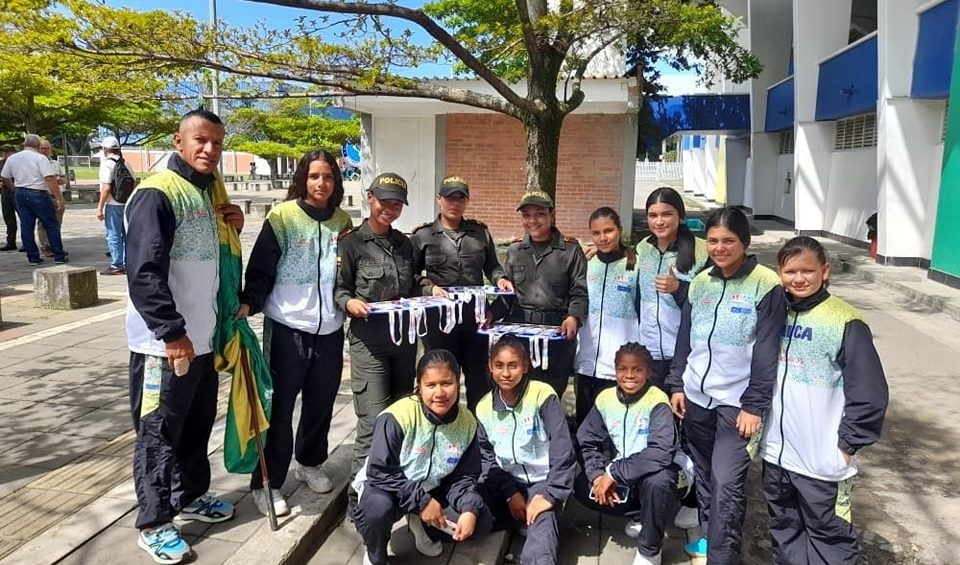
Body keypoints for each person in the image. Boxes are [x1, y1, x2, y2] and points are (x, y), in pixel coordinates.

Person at [125, 109, 244, 565]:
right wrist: (172, 334)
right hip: (164, 346)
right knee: (159, 433)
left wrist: (233, 225)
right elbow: (144, 272)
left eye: (216, 142)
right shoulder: (157, 193)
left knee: (195, 425)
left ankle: (190, 495)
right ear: (178, 141)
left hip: (203, 338)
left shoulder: (210, 190)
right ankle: (154, 522)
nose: (209, 150)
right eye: (200, 140)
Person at [666, 206, 787, 563]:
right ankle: (710, 541)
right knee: (703, 477)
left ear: (745, 242)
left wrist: (754, 405)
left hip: (737, 405)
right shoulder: (701, 283)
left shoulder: (766, 286)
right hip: (696, 399)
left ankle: (724, 557)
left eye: (729, 241)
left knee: (726, 484)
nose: (720, 248)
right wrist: (676, 384)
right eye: (714, 241)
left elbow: (767, 351)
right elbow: (685, 340)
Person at [236, 149, 353, 517]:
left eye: (328, 177)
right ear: (303, 178)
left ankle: (310, 461)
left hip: (330, 327)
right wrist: (248, 302)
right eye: (314, 176)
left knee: (321, 401)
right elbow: (261, 267)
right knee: (280, 406)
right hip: (288, 327)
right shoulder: (283, 217)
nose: (321, 183)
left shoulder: (342, 221)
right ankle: (266, 482)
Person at [761, 236, 888, 565]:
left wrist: (847, 444)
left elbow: (869, 392)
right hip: (776, 454)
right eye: (791, 271)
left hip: (822, 461)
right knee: (785, 531)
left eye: (808, 270)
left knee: (829, 538)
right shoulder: (776, 314)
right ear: (780, 273)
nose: (799, 278)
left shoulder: (844, 321)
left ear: (825, 271)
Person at [351, 349, 493, 565]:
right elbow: (379, 471)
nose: (439, 392)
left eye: (447, 383)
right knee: (376, 513)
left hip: (432, 487)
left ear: (458, 382)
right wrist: (422, 501)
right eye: (431, 385)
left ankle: (417, 520)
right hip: (388, 488)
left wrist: (468, 507)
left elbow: (464, 476)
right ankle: (375, 555)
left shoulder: (467, 422)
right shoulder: (396, 417)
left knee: (480, 521)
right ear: (419, 386)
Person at [334, 172, 417, 515]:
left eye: (397, 203)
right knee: (373, 421)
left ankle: (392, 489)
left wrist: (430, 289)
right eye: (384, 201)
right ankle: (360, 498)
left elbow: (414, 286)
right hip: (369, 343)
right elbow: (339, 288)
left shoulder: (405, 244)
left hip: (404, 343)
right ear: (369, 198)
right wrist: (349, 302)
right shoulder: (351, 243)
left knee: (401, 417)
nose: (390, 208)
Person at [411, 175, 510, 410]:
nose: (454, 203)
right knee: (441, 377)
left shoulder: (480, 233)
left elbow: (492, 266)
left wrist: (501, 278)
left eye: (460, 198)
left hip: (474, 320)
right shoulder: (423, 236)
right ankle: (442, 425)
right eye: (449, 198)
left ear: (466, 202)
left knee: (479, 380)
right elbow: (410, 277)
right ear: (438, 200)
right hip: (438, 322)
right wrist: (429, 287)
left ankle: (479, 432)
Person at [576, 342, 679, 565]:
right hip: (622, 474)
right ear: (615, 371)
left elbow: (661, 452)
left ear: (648, 372)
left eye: (637, 370)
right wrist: (597, 476)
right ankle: (637, 514)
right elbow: (587, 441)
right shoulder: (605, 398)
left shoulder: (657, 400)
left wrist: (613, 473)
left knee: (658, 482)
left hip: (653, 472)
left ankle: (650, 550)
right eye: (623, 369)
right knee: (579, 485)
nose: (629, 375)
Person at [476, 334, 575, 565]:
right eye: (499, 366)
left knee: (541, 531)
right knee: (468, 513)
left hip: (543, 481)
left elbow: (563, 448)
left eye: (513, 365)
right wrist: (510, 492)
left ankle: (539, 522)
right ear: (490, 367)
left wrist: (550, 495)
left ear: (526, 365)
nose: (506, 373)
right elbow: (486, 457)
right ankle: (515, 517)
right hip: (505, 482)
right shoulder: (483, 407)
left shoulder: (542, 395)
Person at [496, 190, 588, 397]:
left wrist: (573, 317)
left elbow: (579, 291)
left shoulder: (571, 250)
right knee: (519, 391)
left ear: (552, 215)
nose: (532, 221)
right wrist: (491, 314)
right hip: (521, 330)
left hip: (557, 332)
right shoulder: (515, 250)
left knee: (551, 392)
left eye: (539, 214)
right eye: (526, 215)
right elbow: (508, 295)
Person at [636, 187, 710, 391]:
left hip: (685, 354)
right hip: (648, 354)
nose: (659, 221)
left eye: (667, 214)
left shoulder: (702, 251)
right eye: (653, 215)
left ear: (681, 216)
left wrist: (679, 288)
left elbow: (710, 302)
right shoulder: (643, 248)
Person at [574, 207, 640, 425]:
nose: (603, 238)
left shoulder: (635, 265)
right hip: (587, 359)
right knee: (585, 423)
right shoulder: (586, 263)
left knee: (614, 423)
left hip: (619, 365)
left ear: (620, 230)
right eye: (596, 233)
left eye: (609, 231)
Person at [0, 134, 66, 265]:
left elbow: (5, 177)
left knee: (26, 225)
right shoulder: (40, 158)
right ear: (37, 145)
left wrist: (14, 188)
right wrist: (57, 197)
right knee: (51, 224)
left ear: (25, 144)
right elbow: (49, 178)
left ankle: (32, 256)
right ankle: (59, 254)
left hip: (20, 192)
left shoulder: (13, 158)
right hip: (38, 192)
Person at [96, 136, 134, 275]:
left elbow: (106, 188)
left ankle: (116, 264)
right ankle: (127, 262)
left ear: (105, 150)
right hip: (127, 203)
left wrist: (100, 207)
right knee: (126, 234)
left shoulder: (107, 165)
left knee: (113, 234)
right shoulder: (126, 164)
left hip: (113, 203)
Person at [36, 138, 67, 258]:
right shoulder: (36, 163)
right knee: (43, 223)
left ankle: (56, 245)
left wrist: (59, 181)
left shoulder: (55, 163)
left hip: (57, 194)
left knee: (57, 222)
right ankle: (45, 246)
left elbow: (64, 178)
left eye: (46, 148)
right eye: (42, 148)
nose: (44, 151)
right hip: (44, 194)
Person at [0, 145, 18, 251]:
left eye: (8, 152)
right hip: (5, 192)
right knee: (8, 217)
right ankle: (11, 241)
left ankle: (27, 242)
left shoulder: (18, 162)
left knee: (23, 216)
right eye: (4, 152)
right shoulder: (1, 163)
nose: (5, 154)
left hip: (18, 190)